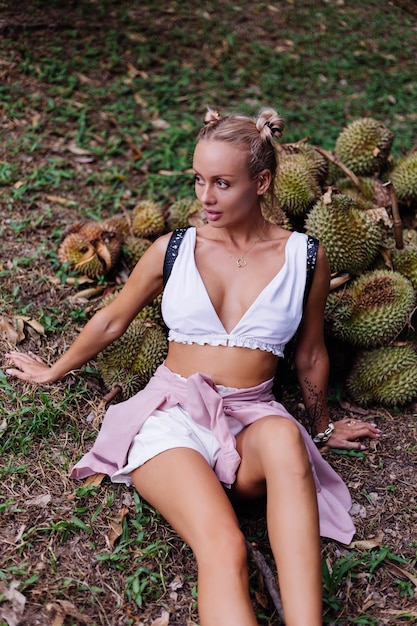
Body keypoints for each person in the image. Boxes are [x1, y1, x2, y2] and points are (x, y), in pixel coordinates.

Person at [5, 106, 380, 626]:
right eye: (200, 180)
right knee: (223, 545)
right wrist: (53, 370)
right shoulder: (174, 248)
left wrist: (322, 425)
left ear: (263, 181)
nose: (206, 197)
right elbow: (113, 320)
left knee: (285, 439)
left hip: (250, 419)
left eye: (223, 183)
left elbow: (311, 353)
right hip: (171, 418)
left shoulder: (305, 257)